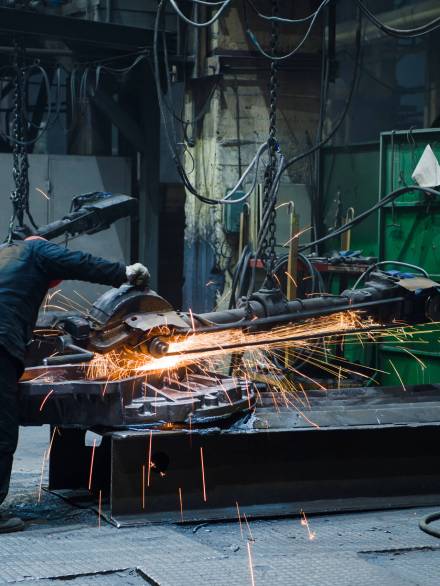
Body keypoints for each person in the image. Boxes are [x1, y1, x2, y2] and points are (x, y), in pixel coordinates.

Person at [0, 236, 150, 533]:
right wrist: (124, 272)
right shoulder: (37, 250)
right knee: (1, 432)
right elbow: (81, 263)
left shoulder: (6, 257)